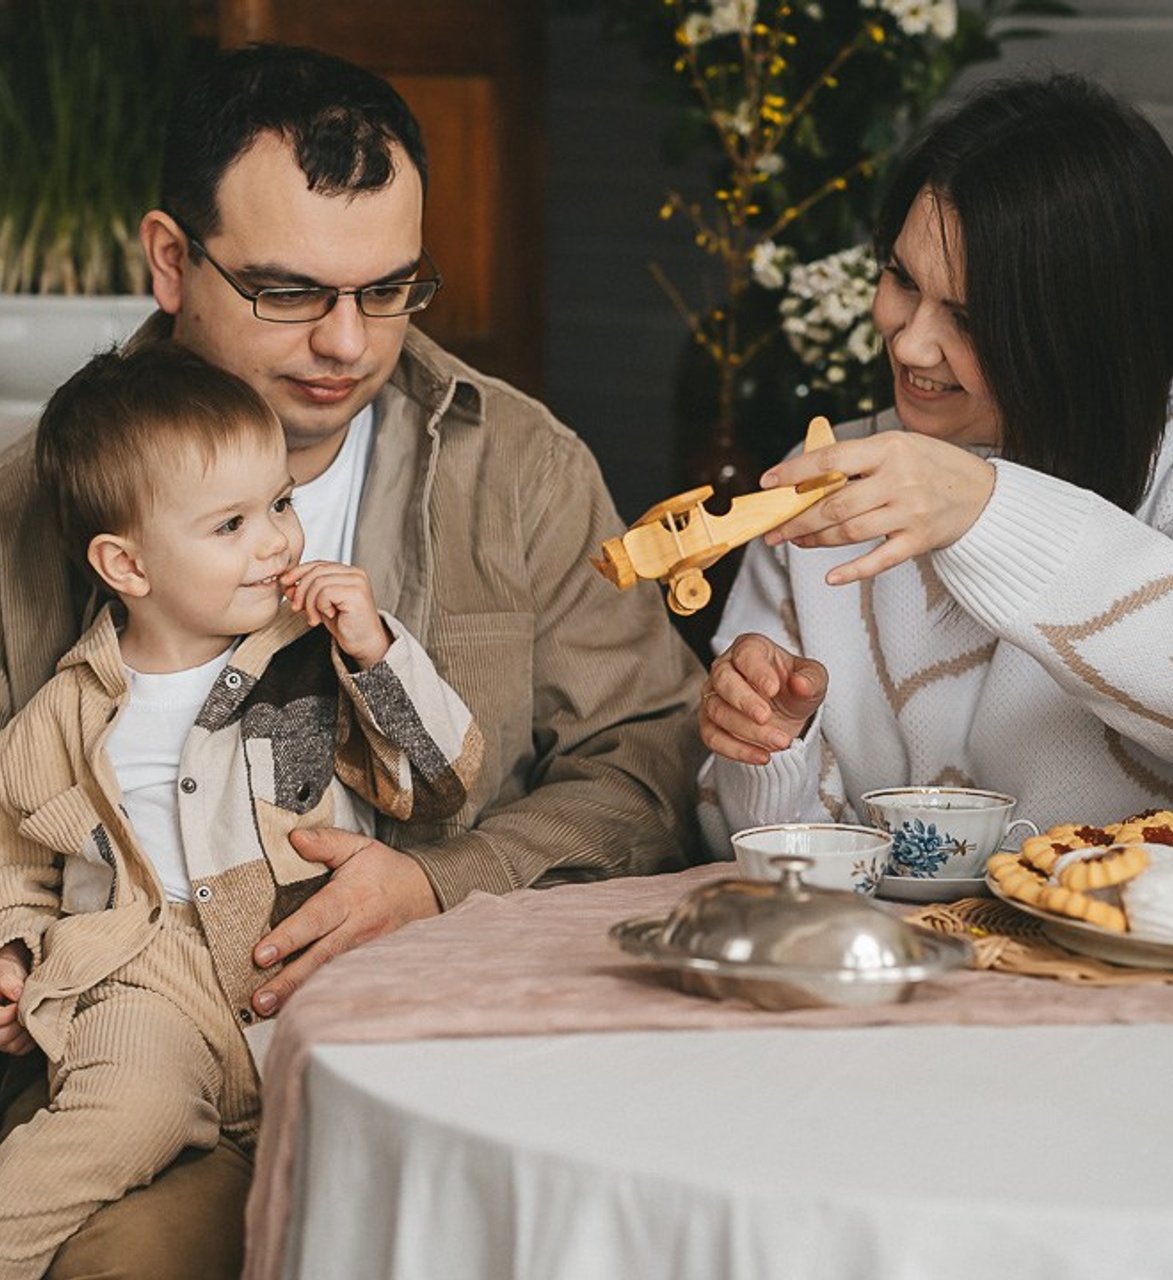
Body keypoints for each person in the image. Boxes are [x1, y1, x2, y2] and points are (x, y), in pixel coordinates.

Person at [0, 43, 703, 1278]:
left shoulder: (524, 469)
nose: (344, 341)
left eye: (387, 291)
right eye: (288, 291)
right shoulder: (28, 503)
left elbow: (648, 762)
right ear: (171, 260)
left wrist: (441, 882)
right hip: (143, 1077)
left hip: (462, 1054)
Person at [699, 72, 1173, 854]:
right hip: (898, 963)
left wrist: (983, 507)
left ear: (1085, 331)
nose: (908, 342)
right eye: (902, 278)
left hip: (1145, 966)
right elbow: (749, 848)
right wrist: (769, 742)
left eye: (969, 318)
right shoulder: (825, 479)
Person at [0, 342, 483, 1277]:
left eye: (282, 503)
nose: (276, 541)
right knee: (118, 1111)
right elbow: (18, 854)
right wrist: (16, 950)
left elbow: (438, 786)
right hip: (139, 975)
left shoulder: (316, 658)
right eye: (231, 524)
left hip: (311, 972)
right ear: (125, 564)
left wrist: (377, 652)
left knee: (425, 1103)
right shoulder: (65, 711)